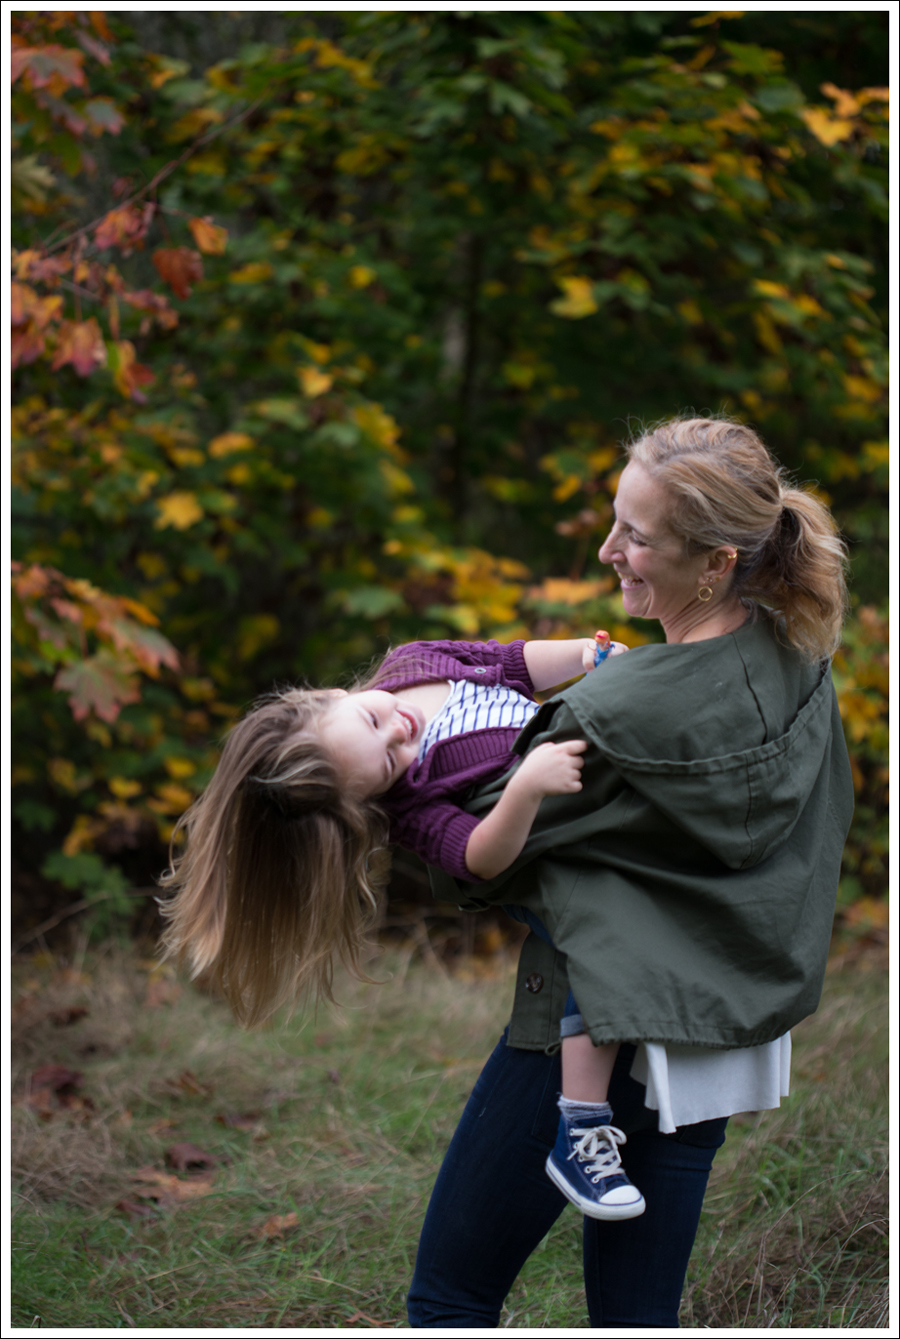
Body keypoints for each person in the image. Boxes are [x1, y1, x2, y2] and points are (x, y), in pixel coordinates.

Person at [405, 416, 854, 1328]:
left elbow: (482, 855)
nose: (610, 550)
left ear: (717, 562)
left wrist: (399, 730)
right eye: (617, 522)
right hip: (716, 1034)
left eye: (638, 536)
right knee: (637, 1317)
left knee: (450, 1295)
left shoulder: (612, 709)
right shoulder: (804, 665)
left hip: (584, 1028)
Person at [158, 621, 647, 1219]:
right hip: (575, 856)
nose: (399, 733)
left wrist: (583, 655)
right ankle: (581, 1128)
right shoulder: (413, 803)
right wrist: (524, 789)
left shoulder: (416, 660)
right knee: (599, 950)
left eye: (373, 720)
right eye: (390, 760)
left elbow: (512, 662)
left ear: (327, 698)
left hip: (611, 789)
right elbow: (476, 857)